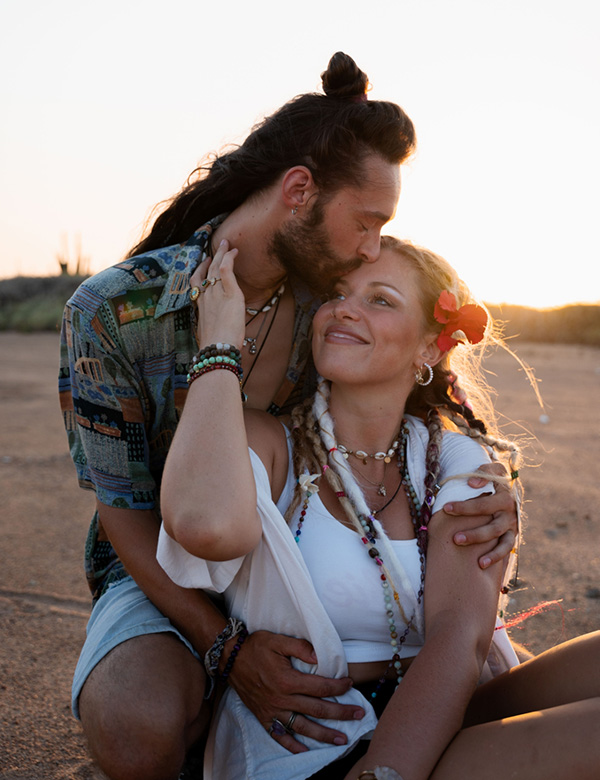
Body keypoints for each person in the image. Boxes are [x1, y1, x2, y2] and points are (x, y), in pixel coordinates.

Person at [59, 53, 519, 780]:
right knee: (136, 725)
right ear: (299, 191)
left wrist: (491, 484)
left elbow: (407, 401)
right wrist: (226, 649)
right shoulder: (115, 312)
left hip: (308, 562)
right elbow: (122, 511)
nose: (372, 246)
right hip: (168, 565)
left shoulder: (327, 305)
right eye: (366, 223)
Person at [158, 236, 600, 780]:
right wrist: (218, 344)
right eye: (338, 293)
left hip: (444, 708)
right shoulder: (269, 444)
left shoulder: (452, 455)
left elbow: (459, 635)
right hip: (316, 741)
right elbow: (200, 523)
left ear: (429, 349)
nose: (345, 307)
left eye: (381, 300)